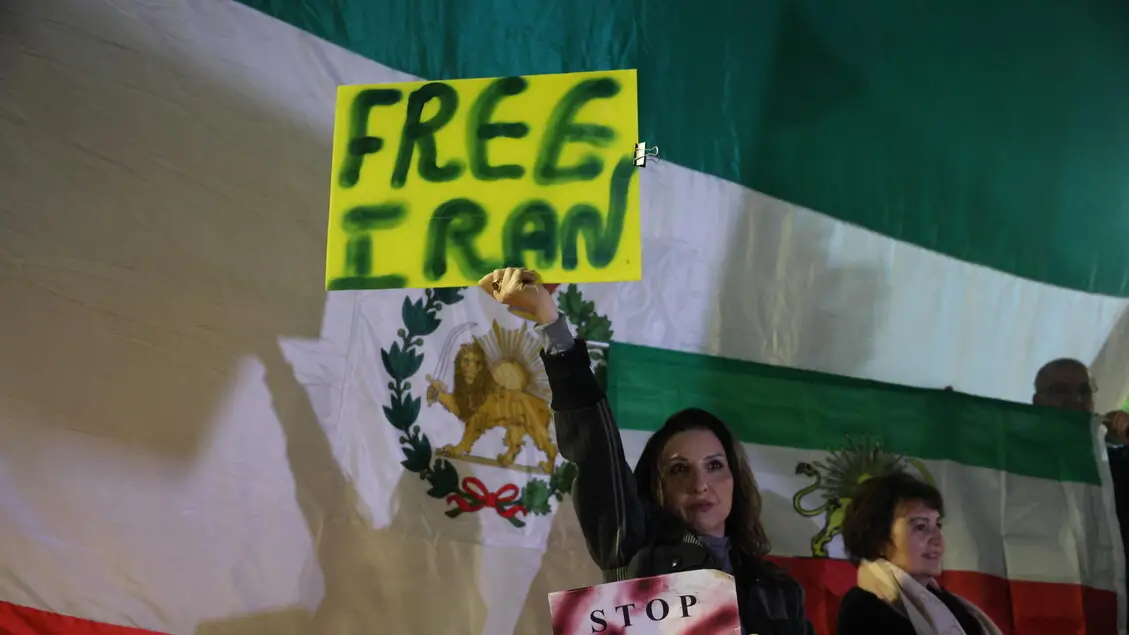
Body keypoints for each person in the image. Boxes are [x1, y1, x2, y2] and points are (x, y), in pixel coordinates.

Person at [479, 267, 814, 635]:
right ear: (657, 486)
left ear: (736, 479)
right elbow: (595, 453)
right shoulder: (634, 549)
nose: (700, 484)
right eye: (679, 469)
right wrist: (548, 318)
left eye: (715, 465)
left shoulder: (780, 591)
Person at [836, 471, 1003, 635]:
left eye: (938, 525)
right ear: (878, 539)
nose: (937, 538)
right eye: (920, 527)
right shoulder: (864, 609)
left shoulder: (953, 607)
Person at [1032, 358, 1129, 589]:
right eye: (1059, 390)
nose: (1075, 400)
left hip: (1113, 596)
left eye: (1084, 391)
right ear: (1036, 401)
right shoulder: (1011, 461)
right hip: (1040, 588)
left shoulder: (1113, 462)